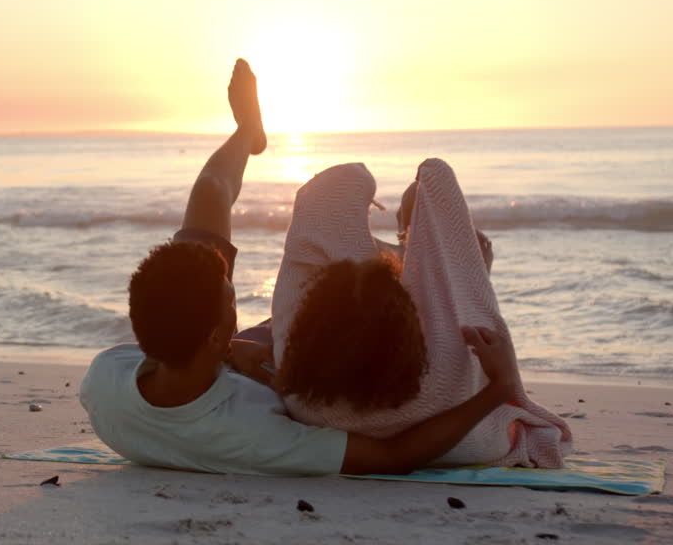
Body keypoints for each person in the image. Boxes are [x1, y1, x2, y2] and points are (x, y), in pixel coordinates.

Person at [78, 59, 523, 475]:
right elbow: (393, 456)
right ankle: (439, 272)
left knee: (212, 191)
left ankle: (249, 132)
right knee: (372, 307)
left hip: (221, 357)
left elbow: (183, 356)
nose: (232, 287)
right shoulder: (254, 434)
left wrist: (230, 350)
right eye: (230, 297)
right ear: (213, 334)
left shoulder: (106, 377)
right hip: (311, 363)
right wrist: (499, 389)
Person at [266, 160, 572, 468]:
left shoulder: (303, 394)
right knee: (440, 272)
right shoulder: (442, 373)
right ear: (407, 324)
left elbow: (312, 238)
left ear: (313, 320)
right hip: (455, 438)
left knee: (349, 276)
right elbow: (460, 315)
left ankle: (409, 242)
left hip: (344, 408)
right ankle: (411, 239)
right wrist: (501, 384)